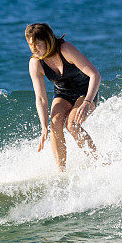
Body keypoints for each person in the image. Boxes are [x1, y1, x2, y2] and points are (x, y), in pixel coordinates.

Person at [25, 23, 101, 171]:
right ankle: (62, 172)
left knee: (72, 125)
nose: (34, 50)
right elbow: (40, 98)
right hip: (63, 94)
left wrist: (86, 103)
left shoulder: (65, 49)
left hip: (85, 92)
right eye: (30, 45)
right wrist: (43, 126)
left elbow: (95, 75)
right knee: (55, 125)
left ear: (48, 40)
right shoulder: (35, 63)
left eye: (38, 45)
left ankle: (98, 161)